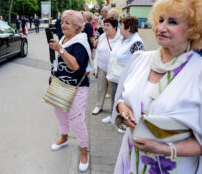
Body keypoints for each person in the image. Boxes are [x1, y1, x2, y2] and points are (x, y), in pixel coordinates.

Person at [111, 0, 202, 174]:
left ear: (194, 29)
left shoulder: (199, 73)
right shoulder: (140, 59)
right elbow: (122, 98)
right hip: (129, 161)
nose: (161, 27)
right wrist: (123, 108)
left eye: (172, 22)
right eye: (160, 19)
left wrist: (162, 149)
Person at [48, 10, 93, 172]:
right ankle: (65, 137)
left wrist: (60, 49)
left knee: (77, 119)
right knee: (58, 110)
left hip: (77, 86)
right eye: (62, 21)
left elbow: (75, 66)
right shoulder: (64, 38)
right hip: (60, 83)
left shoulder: (81, 42)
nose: (63, 25)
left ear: (78, 27)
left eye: (67, 22)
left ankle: (83, 151)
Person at [104, 16, 145, 125]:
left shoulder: (137, 43)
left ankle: (126, 122)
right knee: (114, 98)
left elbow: (139, 63)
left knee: (124, 101)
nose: (119, 27)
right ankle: (112, 115)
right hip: (115, 75)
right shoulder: (123, 39)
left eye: (121, 25)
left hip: (126, 78)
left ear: (129, 27)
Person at [92, 18, 122, 115]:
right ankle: (98, 106)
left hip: (113, 70)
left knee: (114, 92)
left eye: (108, 25)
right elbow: (98, 50)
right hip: (102, 67)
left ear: (114, 27)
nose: (105, 27)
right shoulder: (102, 36)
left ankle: (115, 111)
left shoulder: (121, 38)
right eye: (104, 25)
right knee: (101, 88)